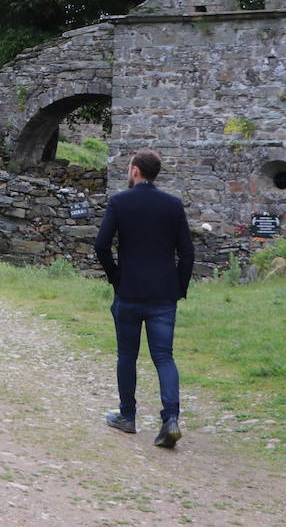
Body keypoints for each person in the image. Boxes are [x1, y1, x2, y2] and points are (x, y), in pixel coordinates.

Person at [95, 147, 195, 449]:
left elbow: (101, 245)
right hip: (163, 295)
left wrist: (116, 278)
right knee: (164, 357)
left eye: (129, 168)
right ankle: (171, 419)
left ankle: (127, 416)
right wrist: (179, 287)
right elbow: (187, 252)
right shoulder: (173, 205)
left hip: (129, 291)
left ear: (135, 170)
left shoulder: (120, 202)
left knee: (127, 355)